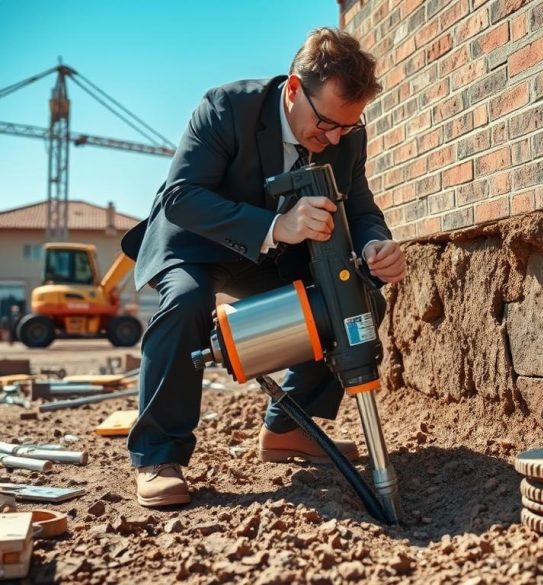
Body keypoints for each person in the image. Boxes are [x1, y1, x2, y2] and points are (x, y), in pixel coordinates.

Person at [120, 28, 406, 507]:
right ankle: (157, 456)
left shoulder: (346, 134)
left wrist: (378, 243)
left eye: (347, 127)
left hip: (277, 254)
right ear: (294, 89)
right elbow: (181, 198)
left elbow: (360, 207)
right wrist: (277, 225)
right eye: (327, 124)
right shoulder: (226, 107)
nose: (335, 137)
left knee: (352, 299)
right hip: (195, 241)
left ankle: (287, 429)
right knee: (186, 302)